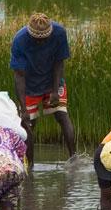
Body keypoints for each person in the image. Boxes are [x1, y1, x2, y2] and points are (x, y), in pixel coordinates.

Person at [10, 12, 76, 169]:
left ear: (50, 33)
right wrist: (24, 108)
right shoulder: (20, 40)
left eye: (45, 39)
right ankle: (30, 167)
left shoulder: (59, 33)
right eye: (37, 40)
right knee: (28, 124)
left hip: (52, 80)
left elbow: (59, 63)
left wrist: (55, 90)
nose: (41, 42)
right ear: (31, 36)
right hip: (29, 85)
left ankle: (74, 159)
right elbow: (19, 76)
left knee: (62, 115)